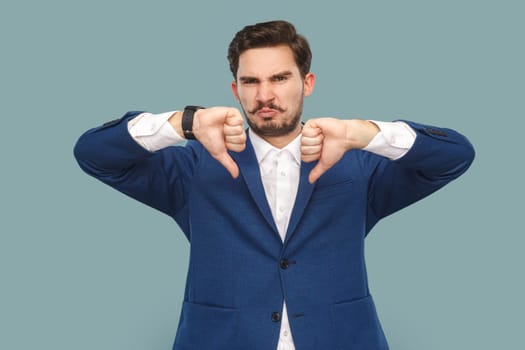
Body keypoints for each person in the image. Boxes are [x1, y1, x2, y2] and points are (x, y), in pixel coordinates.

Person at [74, 20, 474, 350]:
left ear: (307, 82)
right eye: (250, 82)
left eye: (280, 78)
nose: (265, 95)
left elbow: (454, 155)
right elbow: (94, 153)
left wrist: (360, 132)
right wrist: (186, 123)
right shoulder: (195, 167)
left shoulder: (357, 165)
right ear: (235, 90)